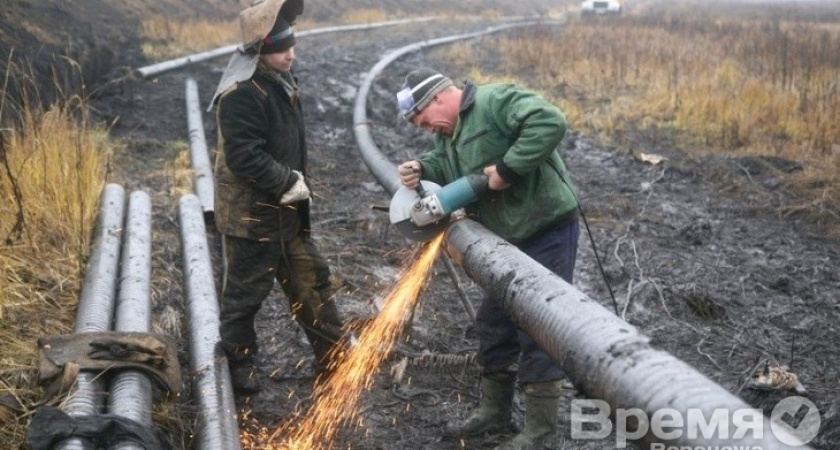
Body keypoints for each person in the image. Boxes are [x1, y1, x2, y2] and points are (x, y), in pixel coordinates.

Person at [395, 68, 580, 450]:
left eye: (423, 120)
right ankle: (494, 413)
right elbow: (450, 165)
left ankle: (540, 432)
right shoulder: (450, 132)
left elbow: (550, 121)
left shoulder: (495, 101)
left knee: (539, 326)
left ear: (438, 99)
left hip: (545, 228)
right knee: (494, 322)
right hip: (506, 238)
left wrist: (509, 169)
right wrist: (423, 168)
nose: (426, 129)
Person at [210, 0, 345, 395]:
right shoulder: (241, 94)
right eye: (281, 49)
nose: (291, 55)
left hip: (287, 209)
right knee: (246, 293)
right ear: (259, 52)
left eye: (292, 46)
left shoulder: (280, 79)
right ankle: (239, 360)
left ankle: (334, 355)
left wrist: (291, 187)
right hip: (252, 215)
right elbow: (243, 156)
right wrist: (288, 180)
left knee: (311, 280)